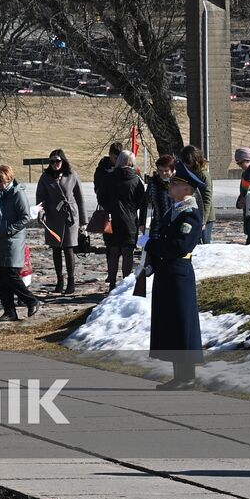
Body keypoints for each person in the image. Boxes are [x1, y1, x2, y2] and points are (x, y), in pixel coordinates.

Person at [145, 162, 205, 390]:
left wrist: (153, 244)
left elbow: (178, 246)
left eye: (176, 183)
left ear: (187, 189)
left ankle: (187, 377)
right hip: (167, 273)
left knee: (182, 326)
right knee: (170, 324)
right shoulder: (175, 211)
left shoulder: (189, 215)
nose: (171, 186)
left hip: (179, 274)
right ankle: (178, 375)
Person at [0, 165, 39, 321]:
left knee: (10, 274)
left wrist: (10, 229)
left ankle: (31, 300)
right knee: (0, 276)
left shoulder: (17, 194)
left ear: (8, 179)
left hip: (12, 239)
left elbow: (25, 217)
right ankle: (9, 311)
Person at [35, 149, 85, 295]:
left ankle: (71, 280)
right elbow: (40, 197)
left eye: (57, 161)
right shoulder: (45, 177)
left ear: (63, 161)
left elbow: (80, 197)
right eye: (52, 162)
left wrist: (83, 220)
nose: (55, 164)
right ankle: (59, 280)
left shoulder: (72, 175)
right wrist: (41, 212)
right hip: (53, 216)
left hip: (70, 217)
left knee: (68, 248)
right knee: (56, 248)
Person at [104, 151, 146, 288]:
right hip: (130, 221)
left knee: (113, 253)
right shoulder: (136, 180)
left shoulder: (109, 178)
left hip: (111, 219)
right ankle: (125, 285)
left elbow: (101, 196)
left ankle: (111, 284)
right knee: (128, 254)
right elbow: (142, 201)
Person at [180, 145, 215, 242]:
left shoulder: (203, 175)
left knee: (205, 243)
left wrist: (203, 220)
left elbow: (207, 198)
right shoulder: (190, 172)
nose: (186, 165)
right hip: (193, 213)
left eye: (188, 162)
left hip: (205, 217)